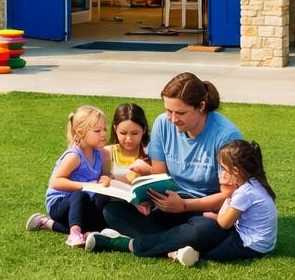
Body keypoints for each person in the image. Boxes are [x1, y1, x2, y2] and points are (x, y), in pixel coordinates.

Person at [87, 72, 242, 252]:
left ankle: (125, 244)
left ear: (201, 106)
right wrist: (145, 198)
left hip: (206, 209)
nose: (173, 119)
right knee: (112, 211)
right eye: (169, 111)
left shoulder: (226, 136)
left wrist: (184, 206)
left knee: (204, 230)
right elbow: (158, 177)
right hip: (168, 202)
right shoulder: (163, 123)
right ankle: (176, 245)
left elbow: (230, 196)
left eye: (180, 113)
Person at [97, 140, 276, 266]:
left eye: (224, 169)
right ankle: (172, 247)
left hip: (244, 240)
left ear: (235, 171)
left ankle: (128, 244)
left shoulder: (243, 192)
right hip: (248, 238)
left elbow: (224, 222)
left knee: (208, 249)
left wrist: (223, 202)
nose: (221, 173)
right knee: (112, 211)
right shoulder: (254, 185)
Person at [26, 105, 111, 247]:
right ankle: (75, 232)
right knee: (80, 195)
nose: (103, 134)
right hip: (60, 204)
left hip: (81, 204)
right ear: (80, 132)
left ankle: (50, 224)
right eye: (97, 130)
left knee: (102, 197)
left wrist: (107, 178)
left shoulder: (99, 153)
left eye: (104, 129)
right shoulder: (74, 156)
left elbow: (104, 176)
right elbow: (56, 182)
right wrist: (84, 186)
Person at [104, 103, 152, 181]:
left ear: (144, 129)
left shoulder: (151, 154)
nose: (129, 139)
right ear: (115, 129)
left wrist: (150, 171)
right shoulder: (106, 153)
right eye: (123, 133)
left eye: (135, 133)